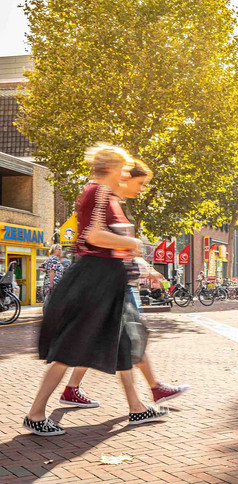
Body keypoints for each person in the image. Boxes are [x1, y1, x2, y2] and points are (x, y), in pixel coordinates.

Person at [24, 143, 167, 437]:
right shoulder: (99, 192)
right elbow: (94, 236)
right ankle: (36, 414)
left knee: (124, 342)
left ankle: (137, 407)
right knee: (70, 348)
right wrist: (132, 244)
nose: (126, 174)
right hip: (95, 279)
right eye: (124, 169)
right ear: (112, 168)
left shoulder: (101, 194)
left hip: (103, 279)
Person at [61, 158, 188, 410]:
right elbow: (99, 240)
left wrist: (147, 269)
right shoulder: (103, 198)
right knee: (130, 337)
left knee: (116, 337)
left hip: (119, 281)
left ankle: (73, 389)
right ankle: (147, 395)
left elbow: (121, 247)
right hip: (112, 282)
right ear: (124, 176)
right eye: (140, 183)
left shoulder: (113, 202)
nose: (142, 189)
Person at [42, 244, 64, 309]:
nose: (61, 251)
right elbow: (52, 271)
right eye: (59, 249)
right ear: (54, 250)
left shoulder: (49, 258)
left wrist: (46, 270)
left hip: (48, 281)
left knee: (49, 300)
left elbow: (40, 267)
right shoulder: (54, 259)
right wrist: (51, 283)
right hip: (54, 282)